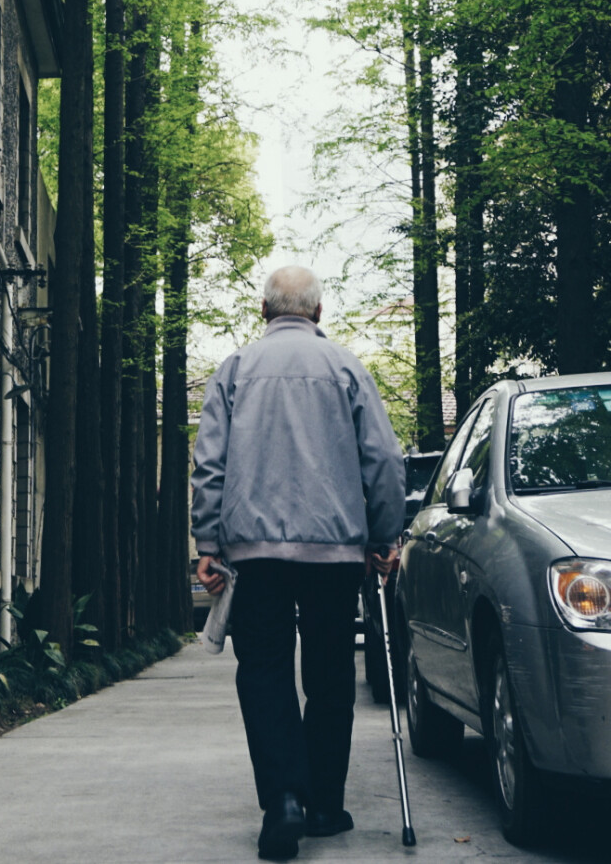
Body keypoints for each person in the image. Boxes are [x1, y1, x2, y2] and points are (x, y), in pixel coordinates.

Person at [191, 264, 405, 861]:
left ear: (264, 311)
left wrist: (208, 545)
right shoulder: (346, 367)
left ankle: (282, 798)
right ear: (317, 312)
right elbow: (384, 461)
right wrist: (385, 535)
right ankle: (324, 805)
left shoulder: (234, 370)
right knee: (331, 673)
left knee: (263, 671)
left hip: (255, 555)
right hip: (336, 553)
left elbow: (208, 464)